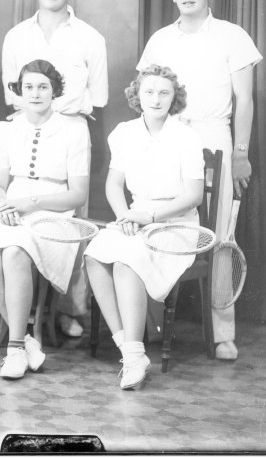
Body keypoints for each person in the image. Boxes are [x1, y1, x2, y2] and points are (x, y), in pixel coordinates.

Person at [137, 0, 262, 361]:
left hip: (214, 135)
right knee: (158, 220)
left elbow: (246, 99)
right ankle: (153, 326)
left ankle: (223, 333)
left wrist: (240, 153)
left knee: (221, 231)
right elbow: (148, 95)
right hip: (166, 133)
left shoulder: (232, 36)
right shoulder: (159, 39)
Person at [0, 0, 108, 338]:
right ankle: (23, 311)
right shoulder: (16, 37)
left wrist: (61, 117)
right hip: (28, 129)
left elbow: (99, 97)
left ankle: (70, 310)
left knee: (73, 227)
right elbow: (11, 94)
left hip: (71, 137)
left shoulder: (91, 38)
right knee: (19, 229)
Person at [83, 65, 204, 390]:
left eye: (164, 92)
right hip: (134, 218)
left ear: (174, 98)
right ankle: (131, 351)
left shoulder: (187, 137)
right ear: (138, 95)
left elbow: (192, 196)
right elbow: (113, 186)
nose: (156, 98)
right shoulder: (124, 132)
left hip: (175, 224)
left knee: (126, 261)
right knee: (94, 255)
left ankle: (134, 356)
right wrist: (125, 216)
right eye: (149, 91)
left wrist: (149, 218)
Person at [0, 60, 90, 379]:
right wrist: (4, 205)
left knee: (14, 252)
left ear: (55, 91)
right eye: (29, 87)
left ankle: (14, 349)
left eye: (43, 87)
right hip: (11, 207)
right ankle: (25, 340)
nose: (36, 93)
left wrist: (32, 202)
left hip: (54, 213)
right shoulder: (6, 129)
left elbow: (78, 194)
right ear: (19, 91)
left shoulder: (75, 130)